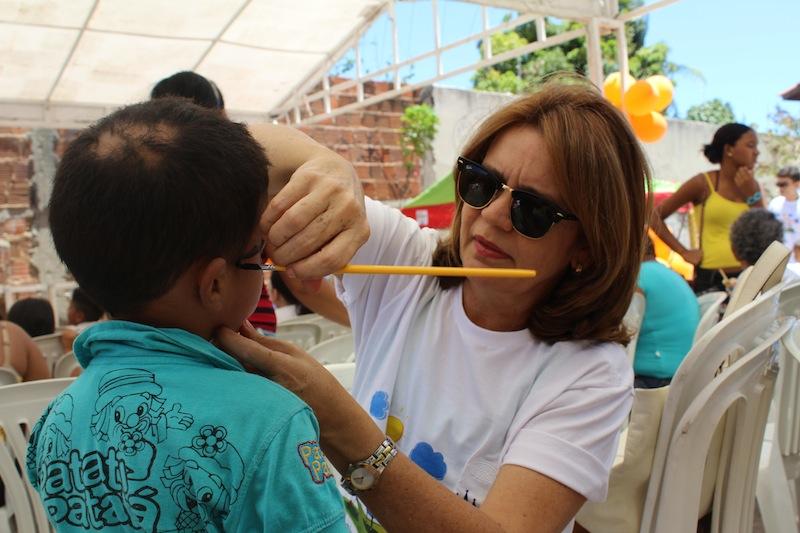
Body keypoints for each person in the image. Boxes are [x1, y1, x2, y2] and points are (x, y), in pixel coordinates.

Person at [218, 80, 647, 533]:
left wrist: (343, 428)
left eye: (532, 211)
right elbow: (226, 152)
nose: (493, 215)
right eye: (483, 184)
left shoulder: (591, 374)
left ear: (586, 248)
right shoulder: (408, 260)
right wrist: (328, 166)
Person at [26, 98, 350, 532]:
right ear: (214, 284)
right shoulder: (269, 419)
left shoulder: (54, 423)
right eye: (259, 252)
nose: (267, 262)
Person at [151, 71, 279, 335]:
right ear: (219, 115)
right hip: (247, 327)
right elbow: (293, 273)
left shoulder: (148, 192)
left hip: (169, 336)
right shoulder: (244, 182)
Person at [651, 123, 762, 294]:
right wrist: (683, 252)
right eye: (750, 145)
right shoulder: (703, 183)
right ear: (729, 149)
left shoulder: (752, 186)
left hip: (750, 276)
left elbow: (765, 230)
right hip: (712, 278)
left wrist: (754, 196)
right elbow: (654, 216)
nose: (756, 152)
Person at [633, 240, 700, 389]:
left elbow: (620, 330)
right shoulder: (669, 273)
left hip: (656, 380)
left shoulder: (637, 278)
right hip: (683, 374)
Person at [768, 166, 800, 262]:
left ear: (797, 184)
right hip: (779, 260)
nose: (780, 188)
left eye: (784, 184)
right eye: (778, 184)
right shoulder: (774, 204)